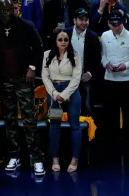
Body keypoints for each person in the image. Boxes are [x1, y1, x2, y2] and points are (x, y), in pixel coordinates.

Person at [0, 0, 45, 175]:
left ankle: (37, 157)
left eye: (9, 9)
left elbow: (39, 48)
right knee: (9, 119)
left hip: (23, 78)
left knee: (29, 119)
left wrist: (33, 67)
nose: (6, 13)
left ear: (15, 9)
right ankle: (14, 155)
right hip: (4, 79)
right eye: (3, 10)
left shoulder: (27, 25)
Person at [99, 10, 129, 148]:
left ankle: (128, 140)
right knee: (110, 111)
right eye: (112, 25)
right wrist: (106, 64)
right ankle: (111, 140)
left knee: (127, 111)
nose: (115, 27)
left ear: (122, 23)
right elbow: (103, 55)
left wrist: (126, 65)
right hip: (110, 78)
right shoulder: (105, 36)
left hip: (127, 79)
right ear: (108, 24)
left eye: (117, 25)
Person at [42, 29, 82, 172]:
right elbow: (45, 77)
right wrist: (54, 94)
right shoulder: (47, 55)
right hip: (53, 91)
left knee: (75, 126)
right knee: (54, 127)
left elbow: (77, 78)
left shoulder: (75, 56)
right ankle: (55, 159)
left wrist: (64, 95)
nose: (63, 42)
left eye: (66, 40)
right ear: (55, 41)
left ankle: (75, 159)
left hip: (71, 91)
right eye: (60, 39)